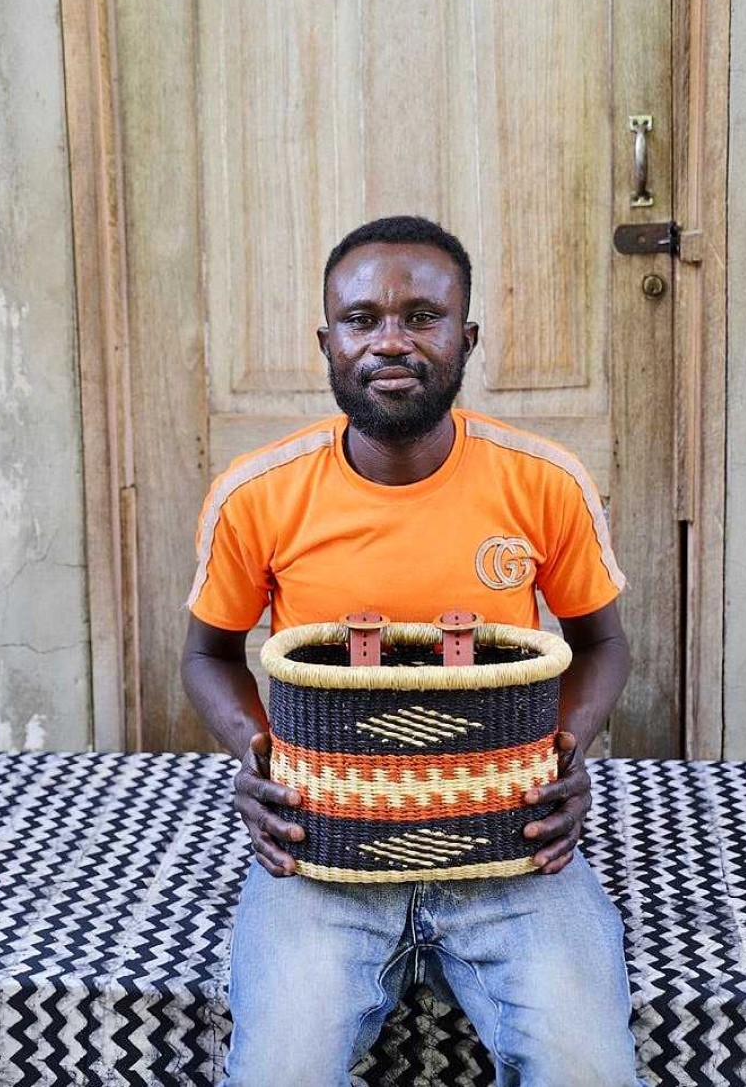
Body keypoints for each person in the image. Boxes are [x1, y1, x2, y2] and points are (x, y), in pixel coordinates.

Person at [182, 215, 643, 1087]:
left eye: (421, 315)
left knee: (588, 1071)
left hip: (509, 844)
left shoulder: (541, 479)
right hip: (321, 850)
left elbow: (602, 641)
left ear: (465, 337)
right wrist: (262, 757)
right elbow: (206, 654)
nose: (389, 340)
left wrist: (564, 749)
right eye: (361, 319)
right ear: (326, 341)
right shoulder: (256, 494)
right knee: (280, 1071)